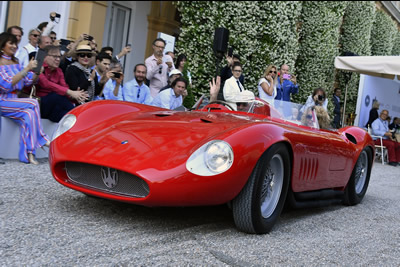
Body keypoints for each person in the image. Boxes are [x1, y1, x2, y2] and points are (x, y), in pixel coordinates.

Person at [0, 32, 50, 164]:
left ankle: (28, 154)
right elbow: (6, 85)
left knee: (28, 114)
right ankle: (42, 139)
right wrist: (27, 68)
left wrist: (37, 72)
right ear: (2, 45)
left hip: (14, 101)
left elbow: (28, 81)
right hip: (2, 100)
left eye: (15, 43)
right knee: (33, 102)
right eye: (11, 43)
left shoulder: (15, 61)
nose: (14, 46)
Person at [36, 45, 89, 122]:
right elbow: (46, 84)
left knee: (67, 117)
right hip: (40, 104)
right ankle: (79, 116)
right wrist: (70, 92)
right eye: (55, 56)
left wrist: (76, 96)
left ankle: (80, 121)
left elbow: (64, 87)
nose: (58, 59)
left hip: (53, 108)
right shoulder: (37, 67)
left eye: (59, 57)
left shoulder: (59, 71)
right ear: (45, 57)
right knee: (56, 96)